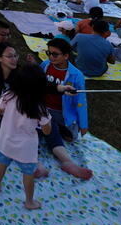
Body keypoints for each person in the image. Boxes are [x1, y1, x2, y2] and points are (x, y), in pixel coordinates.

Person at [0, 63, 52, 210]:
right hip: (25, 150)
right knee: (28, 174)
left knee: (1, 163)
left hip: (5, 141)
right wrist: (47, 123)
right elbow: (47, 131)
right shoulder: (40, 108)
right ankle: (29, 202)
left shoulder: (8, 96)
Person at [38, 39, 94, 180]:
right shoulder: (44, 65)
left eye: (55, 54)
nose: (50, 57)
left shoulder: (76, 75)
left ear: (66, 56)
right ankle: (59, 160)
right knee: (38, 132)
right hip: (42, 109)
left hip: (61, 113)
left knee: (71, 138)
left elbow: (81, 101)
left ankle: (55, 128)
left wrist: (83, 125)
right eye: (48, 53)